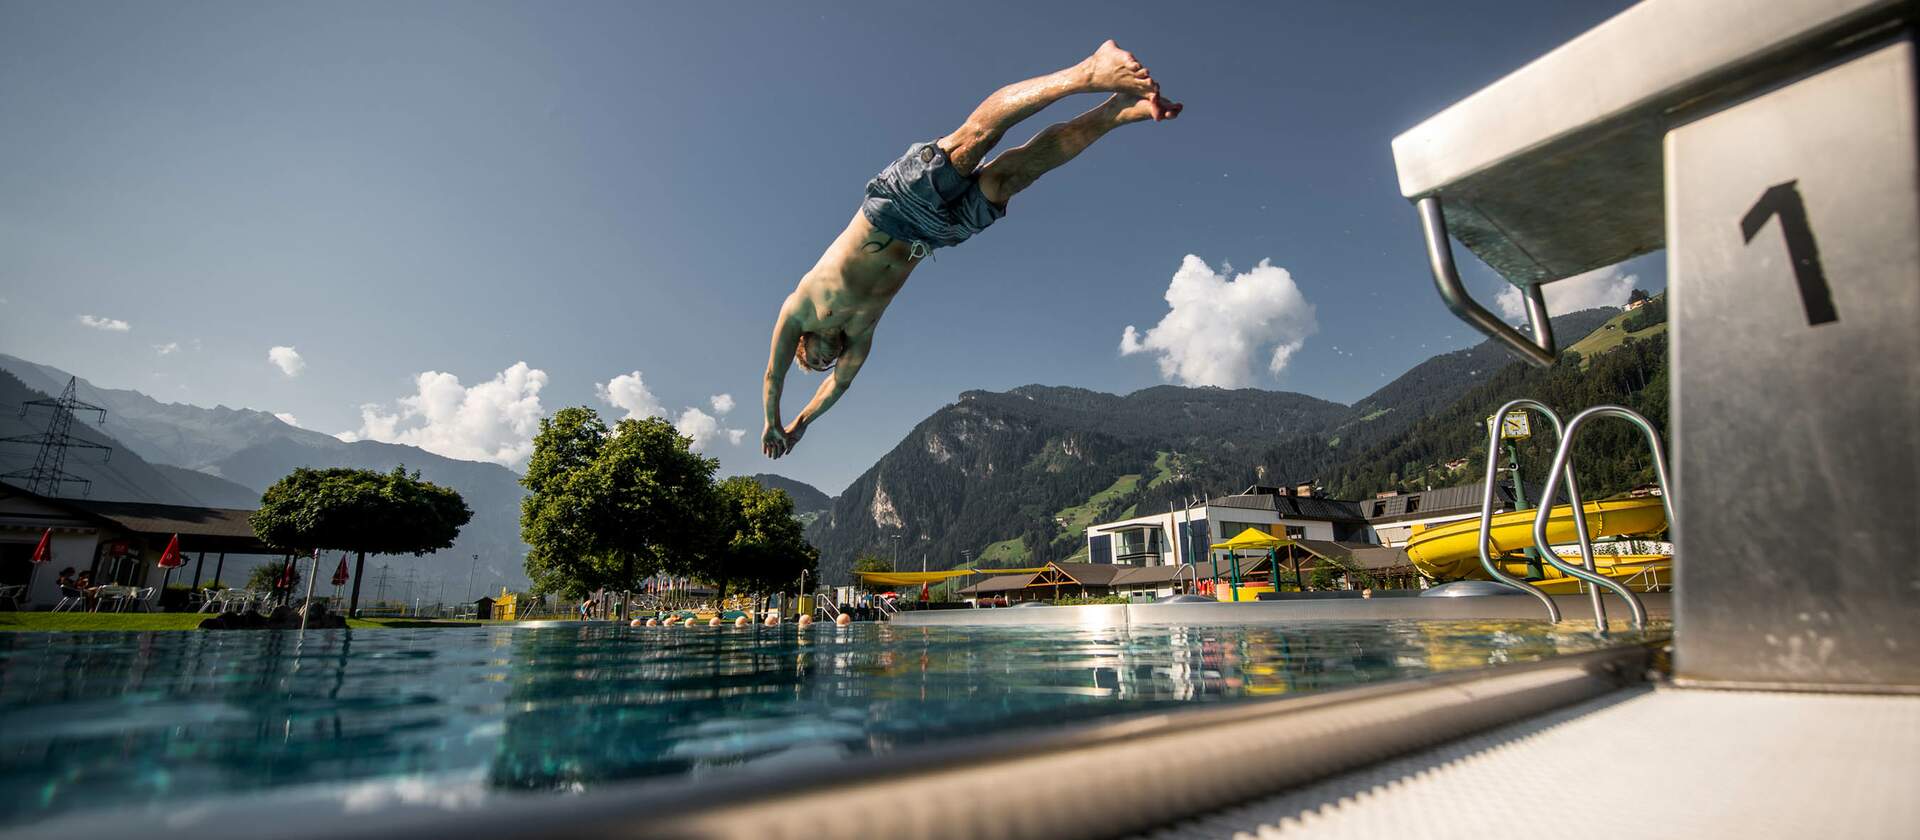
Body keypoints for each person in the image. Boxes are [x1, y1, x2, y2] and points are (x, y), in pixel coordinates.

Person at [762, 41, 1181, 458]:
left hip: (895, 206)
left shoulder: (800, 308)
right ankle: (1117, 111)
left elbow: (772, 376)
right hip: (935, 234)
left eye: (814, 361)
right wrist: (800, 425)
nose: (826, 362)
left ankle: (1088, 70)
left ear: (804, 342)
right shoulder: (858, 337)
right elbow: (838, 387)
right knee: (1013, 177)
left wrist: (773, 422)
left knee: (976, 137)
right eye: (824, 365)